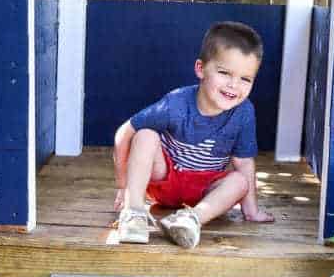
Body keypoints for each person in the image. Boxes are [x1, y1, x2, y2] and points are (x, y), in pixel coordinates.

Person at [113, 21, 274, 248]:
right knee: (145, 135)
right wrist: (123, 186)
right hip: (165, 179)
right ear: (200, 69)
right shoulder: (175, 104)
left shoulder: (244, 112)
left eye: (245, 79)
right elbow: (124, 133)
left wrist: (251, 210)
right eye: (224, 73)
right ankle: (134, 213)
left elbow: (244, 162)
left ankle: (190, 219)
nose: (234, 85)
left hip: (204, 189)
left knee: (239, 181)